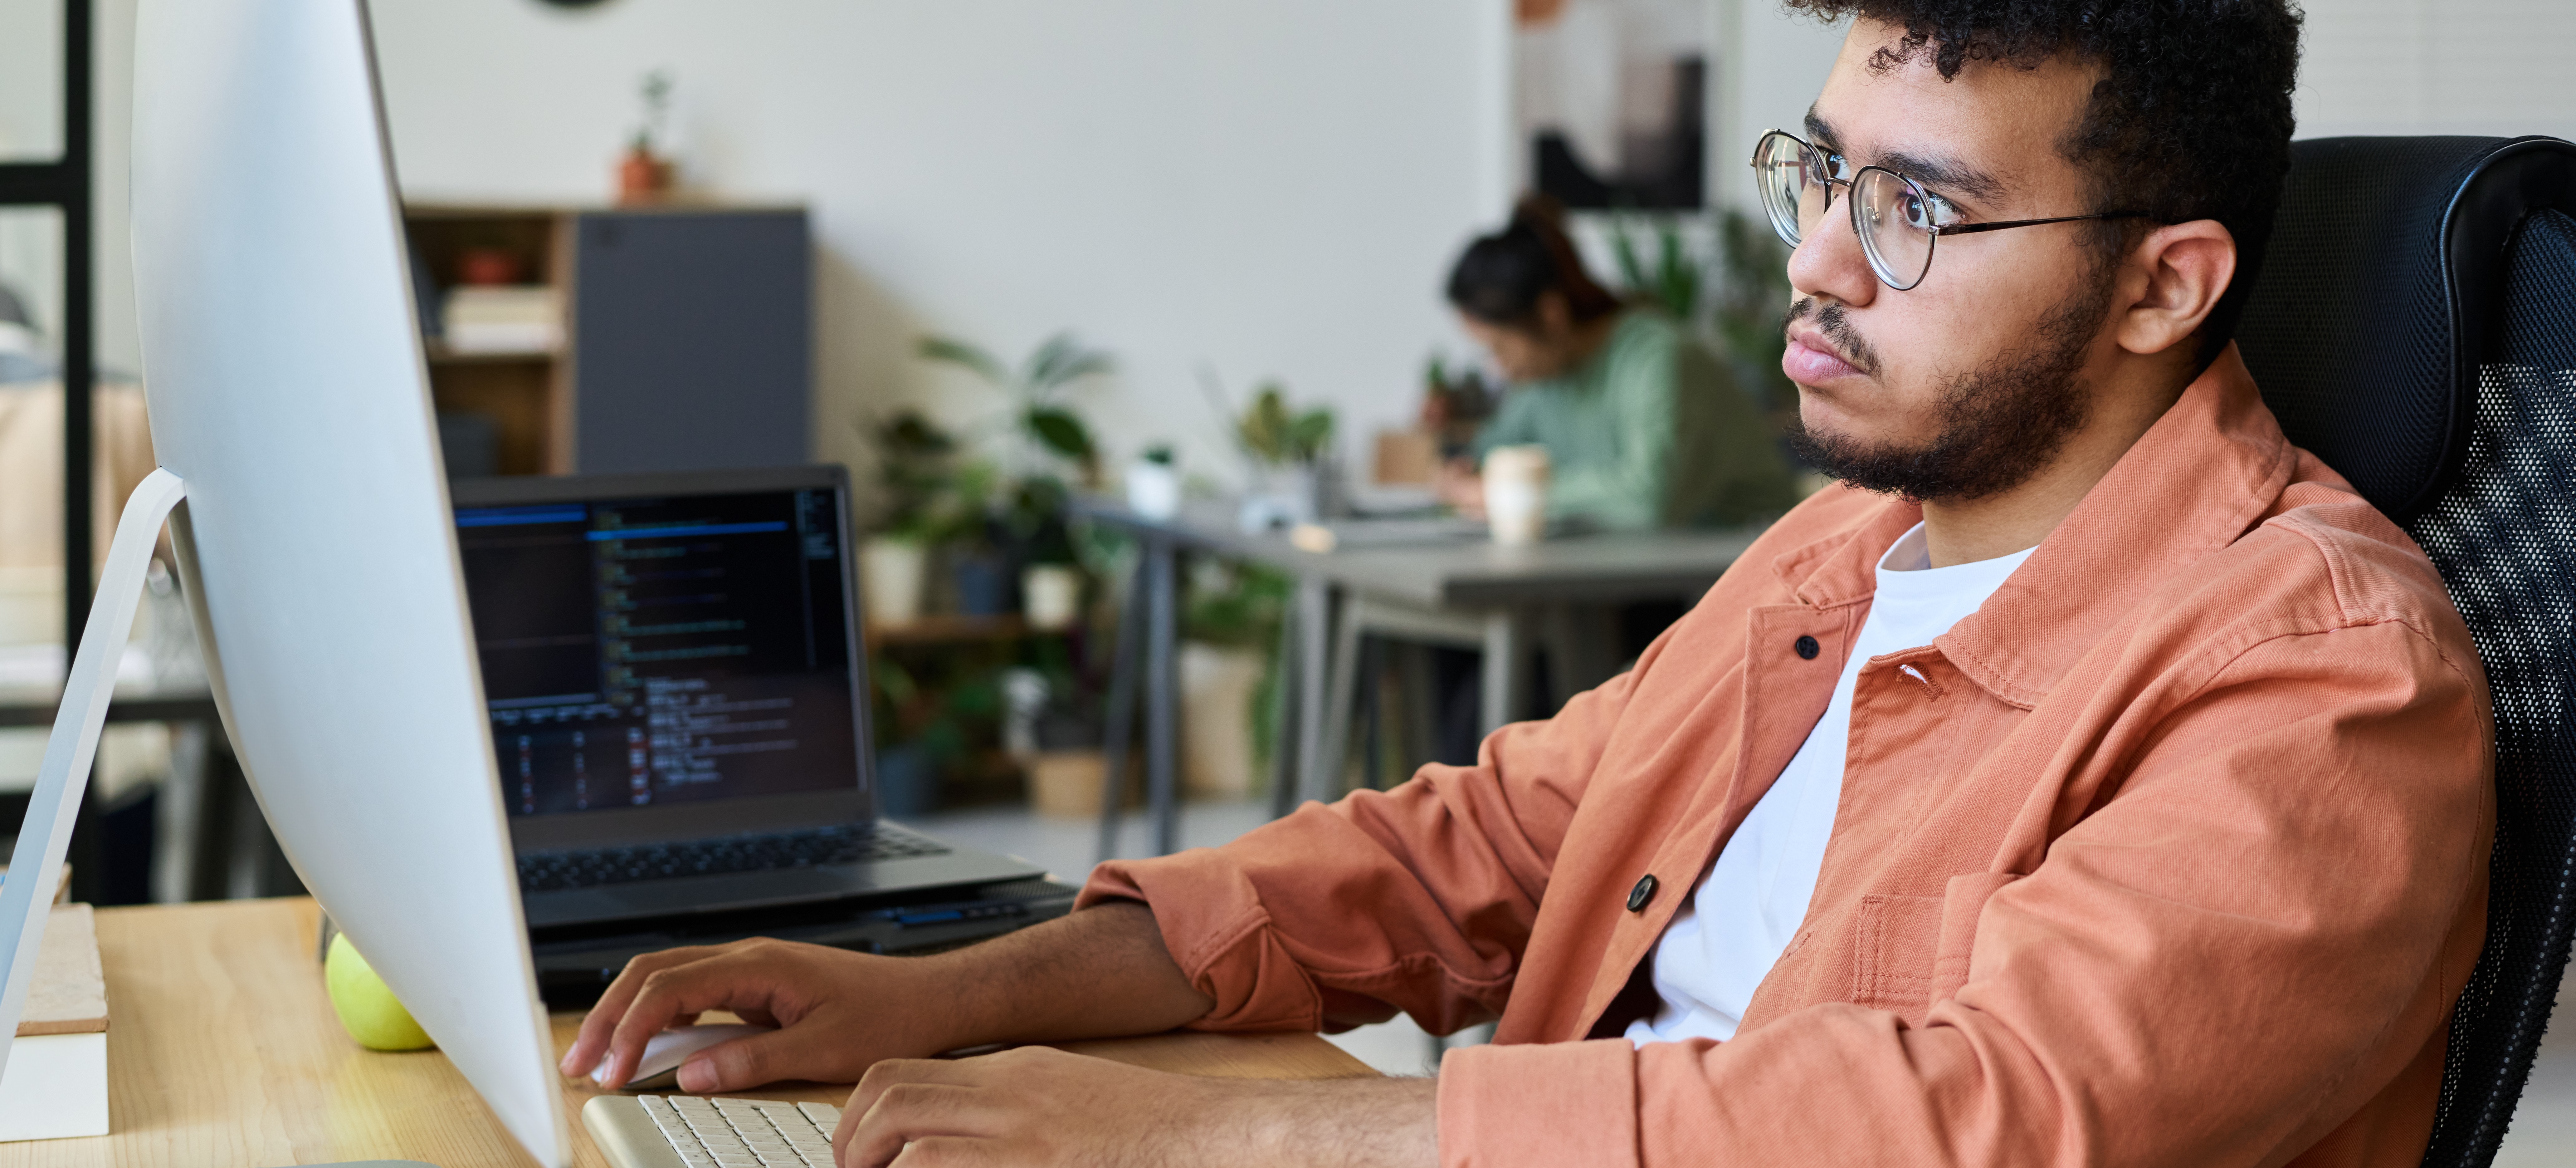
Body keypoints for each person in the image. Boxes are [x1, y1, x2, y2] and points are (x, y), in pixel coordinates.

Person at [563, 3, 2495, 1166]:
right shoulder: (1841, 547)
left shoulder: (2327, 681)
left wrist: (1233, 1128)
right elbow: (1474, 847)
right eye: (1821, 173)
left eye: (1916, 208)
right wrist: (951, 990)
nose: (1814, 260)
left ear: (2163, 284)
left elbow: (1979, 1115)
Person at [1434, 199, 1798, 531]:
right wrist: (1463, 474)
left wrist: (1511, 496)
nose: (1498, 369)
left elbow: (1649, 499)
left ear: (1550, 315)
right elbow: (1490, 451)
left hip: (1747, 557)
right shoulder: (1542, 379)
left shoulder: (1659, 358)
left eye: (1499, 348)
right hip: (1644, 570)